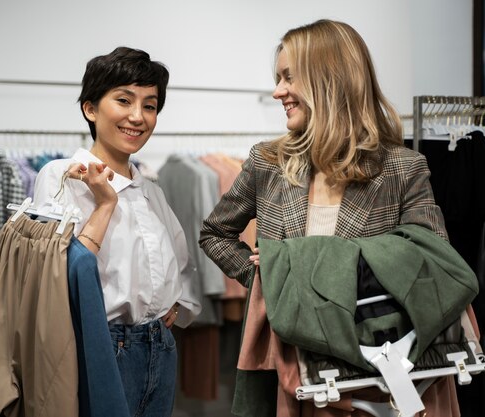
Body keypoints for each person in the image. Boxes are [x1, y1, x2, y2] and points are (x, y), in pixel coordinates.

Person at [199, 20, 471, 417]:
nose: (277, 92)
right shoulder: (266, 162)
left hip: (375, 378)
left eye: (289, 77)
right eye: (277, 78)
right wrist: (273, 282)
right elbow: (215, 233)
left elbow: (433, 264)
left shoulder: (402, 169)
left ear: (328, 79)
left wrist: (310, 264)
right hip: (289, 375)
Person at [33, 46, 201, 416]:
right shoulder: (61, 177)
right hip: (102, 346)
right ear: (90, 109)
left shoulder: (150, 189)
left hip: (160, 345)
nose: (137, 117)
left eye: (150, 105)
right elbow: (57, 277)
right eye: (123, 100)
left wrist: (177, 304)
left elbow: (182, 262)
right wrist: (105, 204)